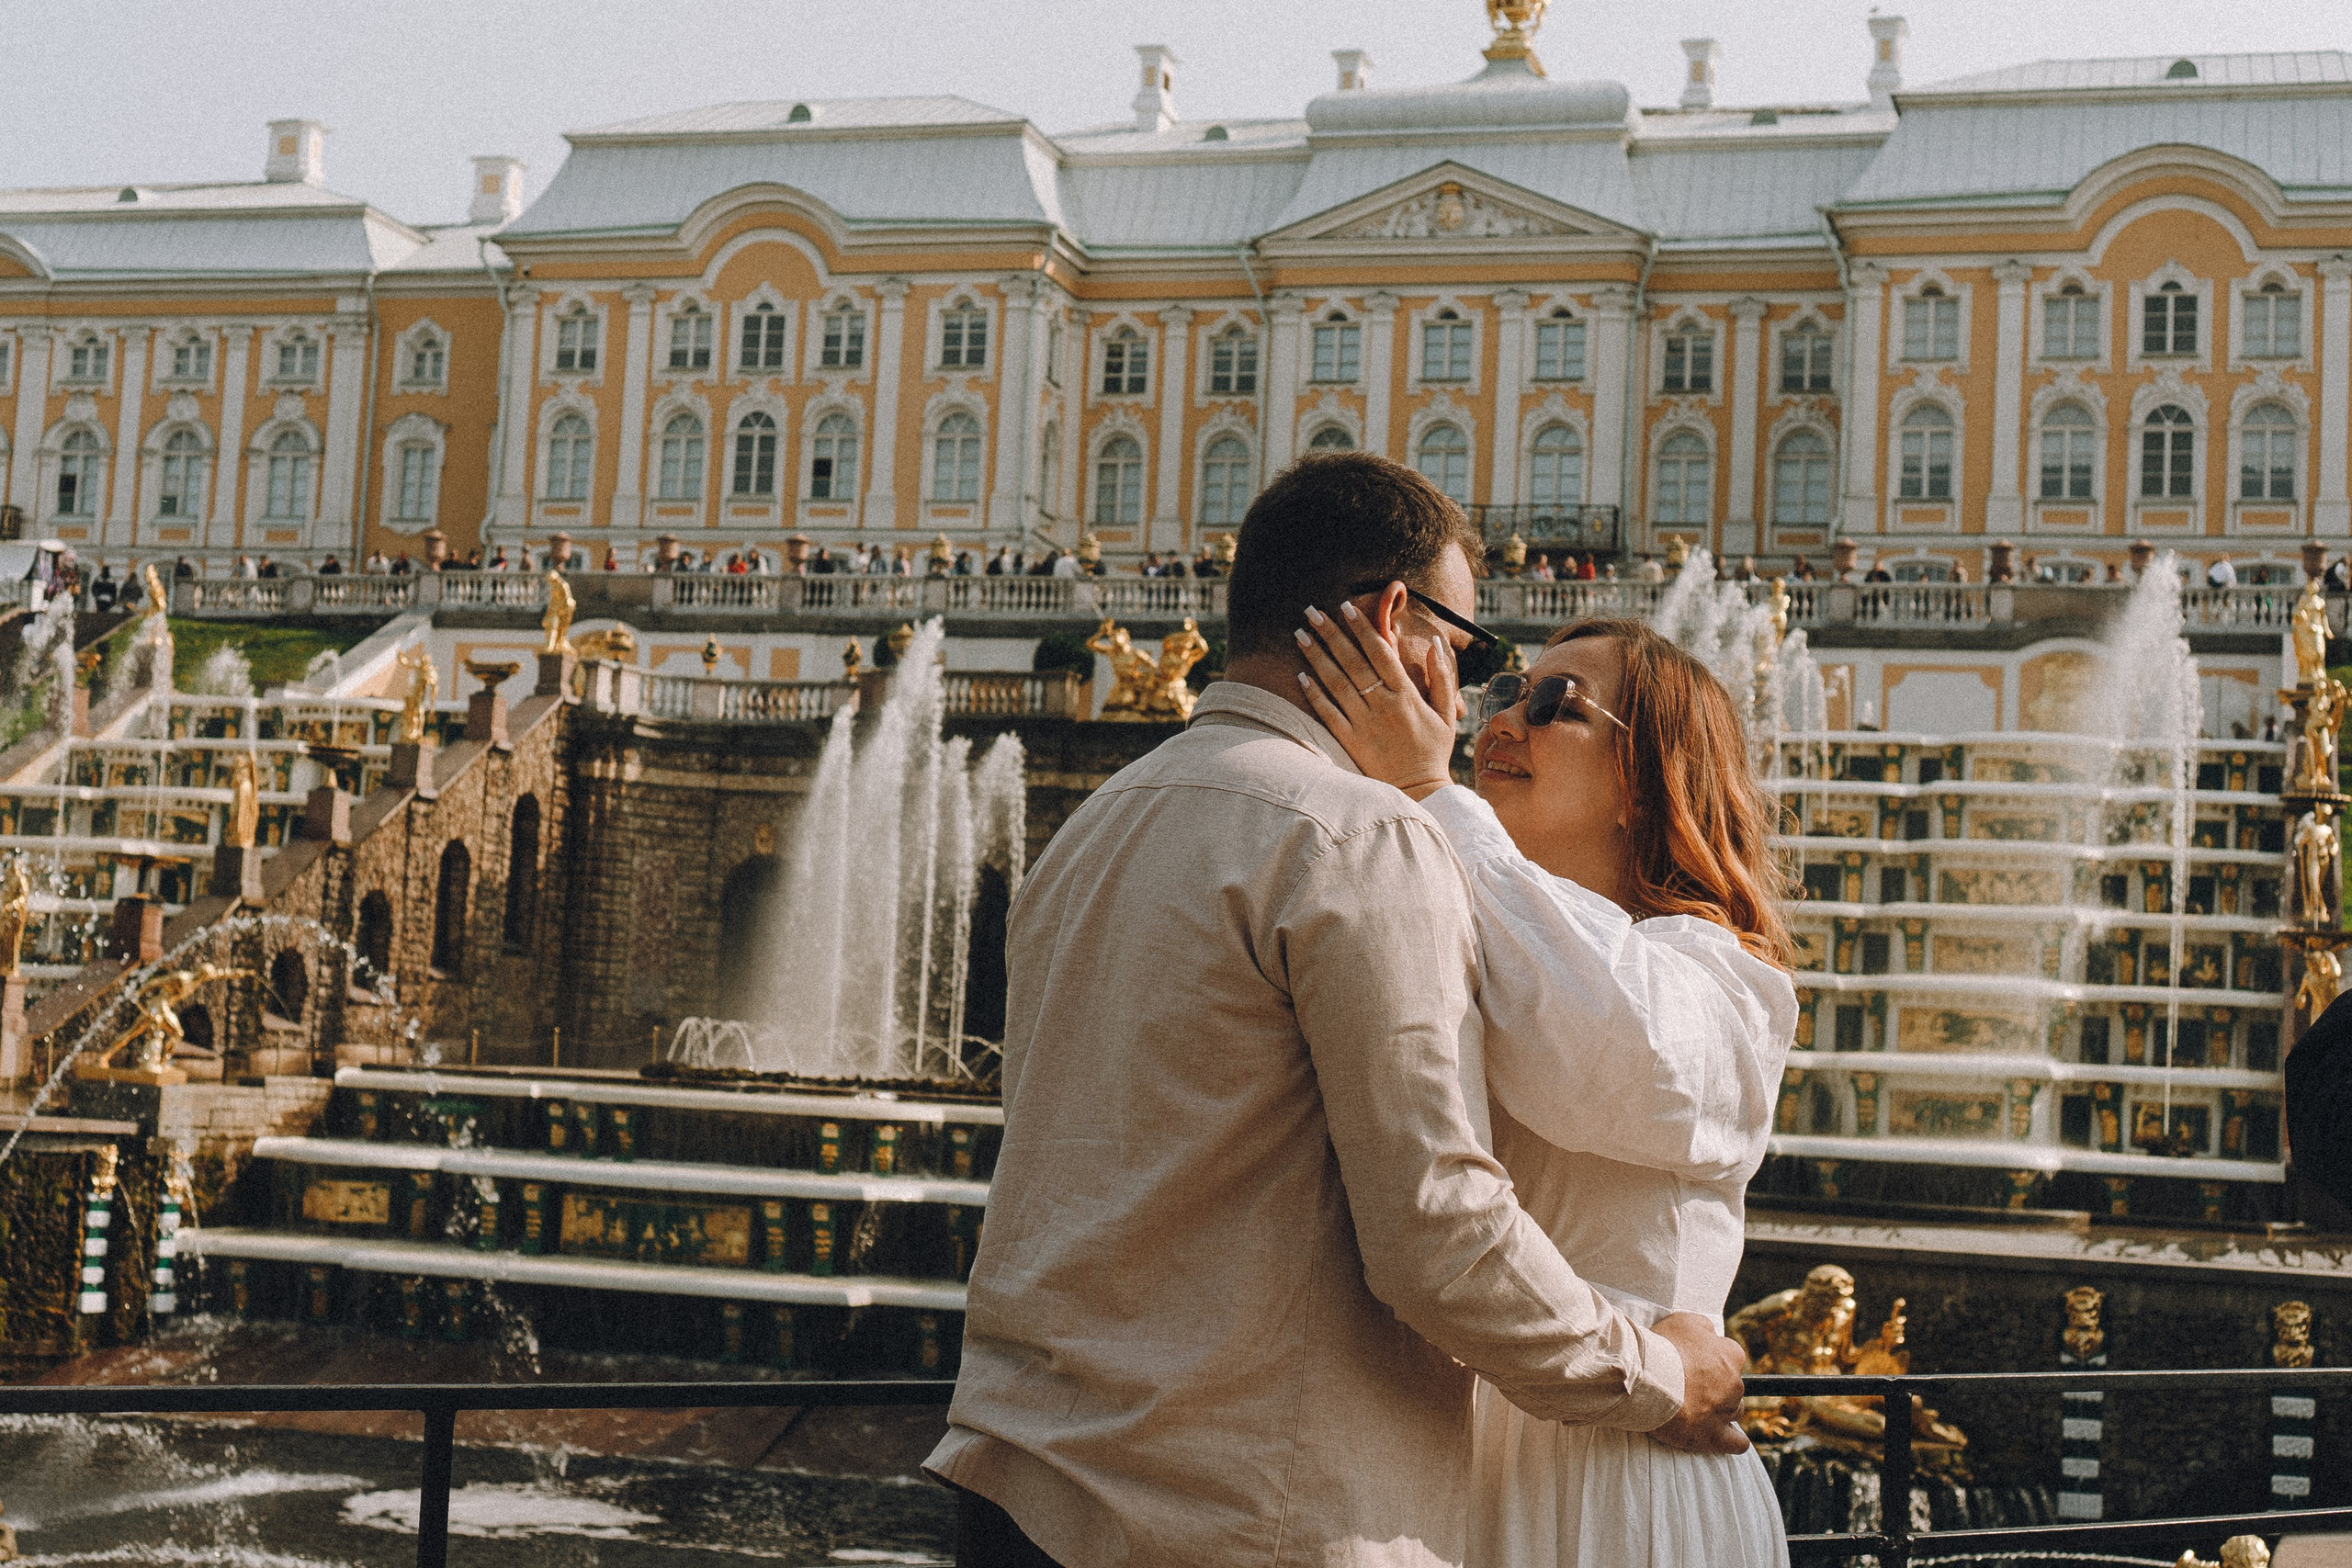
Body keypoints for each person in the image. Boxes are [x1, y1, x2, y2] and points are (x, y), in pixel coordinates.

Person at [929, 452, 1747, 1568]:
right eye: (1473, 658)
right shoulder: (1362, 836)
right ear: (1398, 621)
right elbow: (1436, 1236)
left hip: (1023, 1483)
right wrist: (1661, 1377)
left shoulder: (1095, 825)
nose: (1472, 706)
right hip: (1245, 1510)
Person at [1295, 610, 1795, 1568]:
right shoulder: (1465, 920)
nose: (1502, 722)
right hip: (1441, 1459)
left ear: (1644, 785)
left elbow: (1612, 1060)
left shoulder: (1722, 975)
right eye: (1506, 693)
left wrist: (1424, 791)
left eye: (1557, 705)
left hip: (1617, 1467)